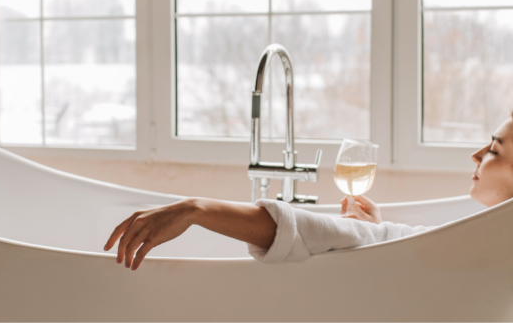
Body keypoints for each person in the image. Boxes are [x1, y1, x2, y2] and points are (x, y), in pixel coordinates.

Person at [103, 115, 513, 270]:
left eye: (493, 149)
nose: (475, 153)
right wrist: (381, 237)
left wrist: (196, 209)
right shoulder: (489, 239)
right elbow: (417, 246)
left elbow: (311, 233)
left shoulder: (486, 243)